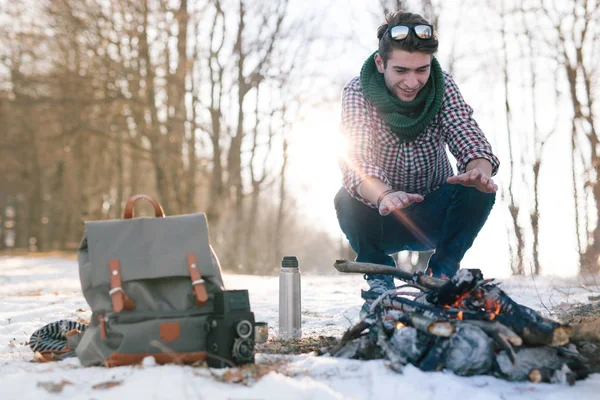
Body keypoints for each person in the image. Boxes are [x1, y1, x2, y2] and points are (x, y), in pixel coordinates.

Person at [334, 10, 500, 317]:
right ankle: (381, 281)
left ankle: (442, 277)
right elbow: (354, 158)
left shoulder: (442, 86)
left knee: (481, 188)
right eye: (401, 70)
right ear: (381, 64)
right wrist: (385, 194)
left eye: (421, 70)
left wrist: (479, 171)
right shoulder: (357, 91)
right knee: (346, 196)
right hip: (382, 215)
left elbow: (468, 134)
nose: (412, 82)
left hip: (433, 216)